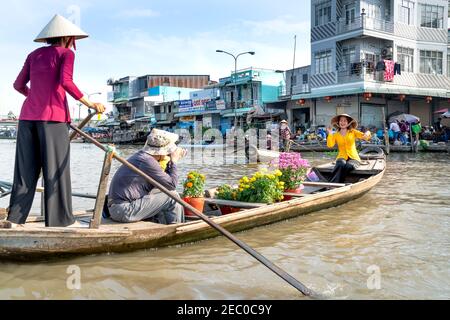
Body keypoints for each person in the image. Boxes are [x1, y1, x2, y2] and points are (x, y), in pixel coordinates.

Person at [2, 14, 105, 229]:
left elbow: (18, 85)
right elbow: (66, 82)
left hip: (27, 118)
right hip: (53, 119)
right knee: (55, 170)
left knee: (24, 171)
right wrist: (90, 102)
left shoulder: (33, 55)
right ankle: (60, 221)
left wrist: (35, 96)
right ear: (67, 37)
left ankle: (15, 220)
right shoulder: (66, 54)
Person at [107, 129, 187, 224]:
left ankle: (167, 224)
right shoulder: (147, 161)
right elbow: (172, 184)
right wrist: (174, 161)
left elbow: (164, 184)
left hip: (119, 209)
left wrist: (169, 162)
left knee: (169, 192)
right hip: (124, 210)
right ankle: (176, 228)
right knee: (172, 196)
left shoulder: (143, 157)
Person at [326, 114, 371, 183]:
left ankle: (337, 182)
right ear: (338, 122)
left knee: (348, 166)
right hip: (341, 157)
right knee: (340, 163)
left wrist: (367, 133)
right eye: (341, 121)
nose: (342, 123)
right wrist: (330, 133)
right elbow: (330, 145)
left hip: (353, 157)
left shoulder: (353, 132)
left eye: (344, 121)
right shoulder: (336, 134)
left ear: (348, 123)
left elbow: (365, 137)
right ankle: (333, 183)